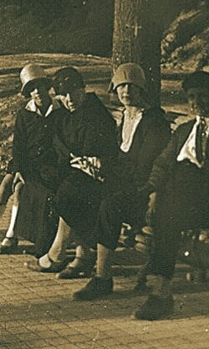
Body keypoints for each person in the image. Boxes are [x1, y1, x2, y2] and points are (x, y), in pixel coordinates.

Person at [132, 71, 209, 320]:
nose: (196, 102)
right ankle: (157, 287)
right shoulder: (183, 130)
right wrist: (153, 193)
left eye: (203, 96)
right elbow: (162, 164)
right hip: (172, 195)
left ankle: (161, 292)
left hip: (205, 200)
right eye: (191, 97)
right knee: (150, 204)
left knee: (168, 214)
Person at [71, 63, 171, 301]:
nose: (126, 92)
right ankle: (83, 254)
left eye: (131, 86)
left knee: (109, 204)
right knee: (78, 191)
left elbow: (143, 167)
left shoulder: (153, 122)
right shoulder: (125, 117)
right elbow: (119, 157)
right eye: (121, 86)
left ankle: (103, 277)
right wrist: (96, 165)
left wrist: (105, 168)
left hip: (145, 191)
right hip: (124, 184)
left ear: (141, 89)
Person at [27, 66, 118, 276]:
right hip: (80, 173)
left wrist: (78, 160)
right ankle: (81, 253)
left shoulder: (95, 114)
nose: (70, 99)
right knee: (51, 185)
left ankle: (59, 254)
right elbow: (61, 147)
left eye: (74, 92)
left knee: (68, 194)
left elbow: (96, 151)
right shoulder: (67, 116)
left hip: (104, 175)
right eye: (63, 95)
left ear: (83, 89)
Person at [0, 64, 62, 255]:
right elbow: (19, 145)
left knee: (20, 189)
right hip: (25, 162)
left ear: (46, 87)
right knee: (6, 184)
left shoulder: (58, 112)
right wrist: (18, 169)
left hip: (47, 166)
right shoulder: (25, 114)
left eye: (39, 87)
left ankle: (11, 235)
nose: (37, 93)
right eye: (31, 89)